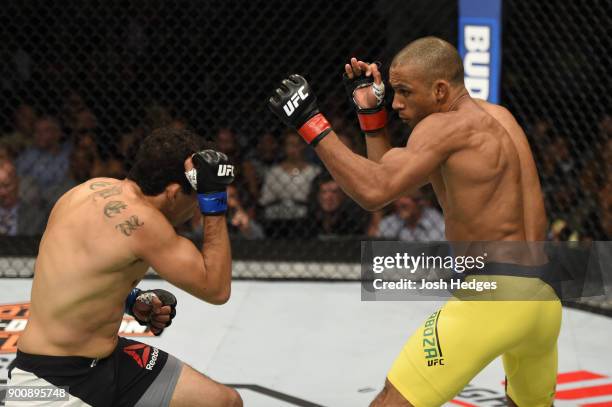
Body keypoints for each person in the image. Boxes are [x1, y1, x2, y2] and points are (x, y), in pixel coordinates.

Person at [268, 37, 559, 407]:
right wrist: (372, 119)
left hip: (493, 297)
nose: (397, 102)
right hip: (544, 298)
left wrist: (310, 121)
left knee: (391, 400)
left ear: (440, 90)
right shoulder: (499, 118)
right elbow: (389, 175)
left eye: (404, 91)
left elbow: (374, 192)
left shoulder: (442, 127)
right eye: (393, 91)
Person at [7, 127, 242, 406]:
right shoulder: (146, 225)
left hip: (108, 362)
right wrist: (214, 200)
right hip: (48, 383)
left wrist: (131, 299)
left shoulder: (87, 189)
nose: (194, 209)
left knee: (223, 402)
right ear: (174, 193)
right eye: (194, 199)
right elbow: (216, 288)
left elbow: (75, 273)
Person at [375, 189, 445, 241]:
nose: (398, 204)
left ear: (420, 202)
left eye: (404, 206)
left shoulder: (437, 222)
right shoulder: (388, 223)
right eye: (397, 200)